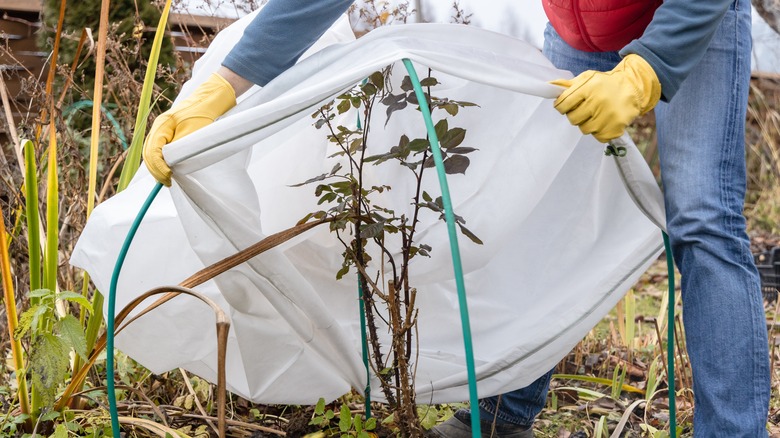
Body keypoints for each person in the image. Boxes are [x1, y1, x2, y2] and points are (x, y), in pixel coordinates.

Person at [143, 0, 771, 436]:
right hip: (578, 31)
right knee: (541, 210)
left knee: (702, 220)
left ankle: (734, 431)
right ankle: (502, 416)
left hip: (689, 19)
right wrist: (227, 85)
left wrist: (649, 69)